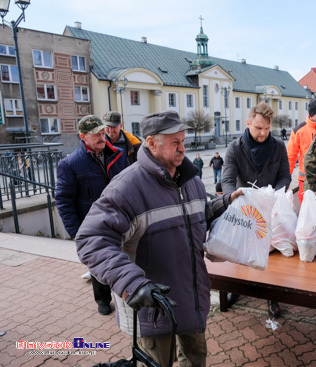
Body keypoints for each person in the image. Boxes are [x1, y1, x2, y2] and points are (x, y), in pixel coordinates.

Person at [75, 110, 242, 367]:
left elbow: (193, 218)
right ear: (151, 142)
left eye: (183, 141)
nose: (182, 148)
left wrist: (223, 204)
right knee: (156, 363)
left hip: (191, 297)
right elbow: (91, 240)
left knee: (196, 358)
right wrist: (132, 283)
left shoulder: (191, 182)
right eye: (175, 142)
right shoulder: (127, 187)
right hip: (153, 306)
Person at [222, 102, 291, 318]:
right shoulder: (235, 148)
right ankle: (237, 287)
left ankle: (272, 295)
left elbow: (285, 176)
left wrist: (275, 193)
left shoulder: (278, 146)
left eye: (267, 129)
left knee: (270, 255)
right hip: (244, 207)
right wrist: (233, 197)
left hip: (270, 207)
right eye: (258, 128)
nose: (263, 133)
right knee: (241, 250)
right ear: (248, 123)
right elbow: (227, 178)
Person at [56, 115, 129, 315]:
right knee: (99, 263)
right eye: (95, 134)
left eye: (102, 132)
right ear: (83, 137)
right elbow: (63, 201)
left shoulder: (118, 154)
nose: (101, 137)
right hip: (92, 224)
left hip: (120, 217)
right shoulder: (70, 164)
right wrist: (75, 232)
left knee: (125, 257)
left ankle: (126, 294)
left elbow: (129, 184)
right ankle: (103, 299)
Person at [286, 98, 316, 202]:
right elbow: (291, 157)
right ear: (311, 114)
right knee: (306, 214)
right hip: (305, 182)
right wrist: (286, 179)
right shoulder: (298, 131)